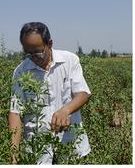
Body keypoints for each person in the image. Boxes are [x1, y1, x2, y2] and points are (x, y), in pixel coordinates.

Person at [9, 22, 91, 165]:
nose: (34, 58)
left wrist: (66, 110)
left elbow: (83, 93)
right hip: (37, 149)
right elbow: (15, 112)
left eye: (38, 52)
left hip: (69, 143)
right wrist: (14, 155)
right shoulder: (21, 71)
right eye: (29, 54)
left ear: (50, 43)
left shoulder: (69, 61)